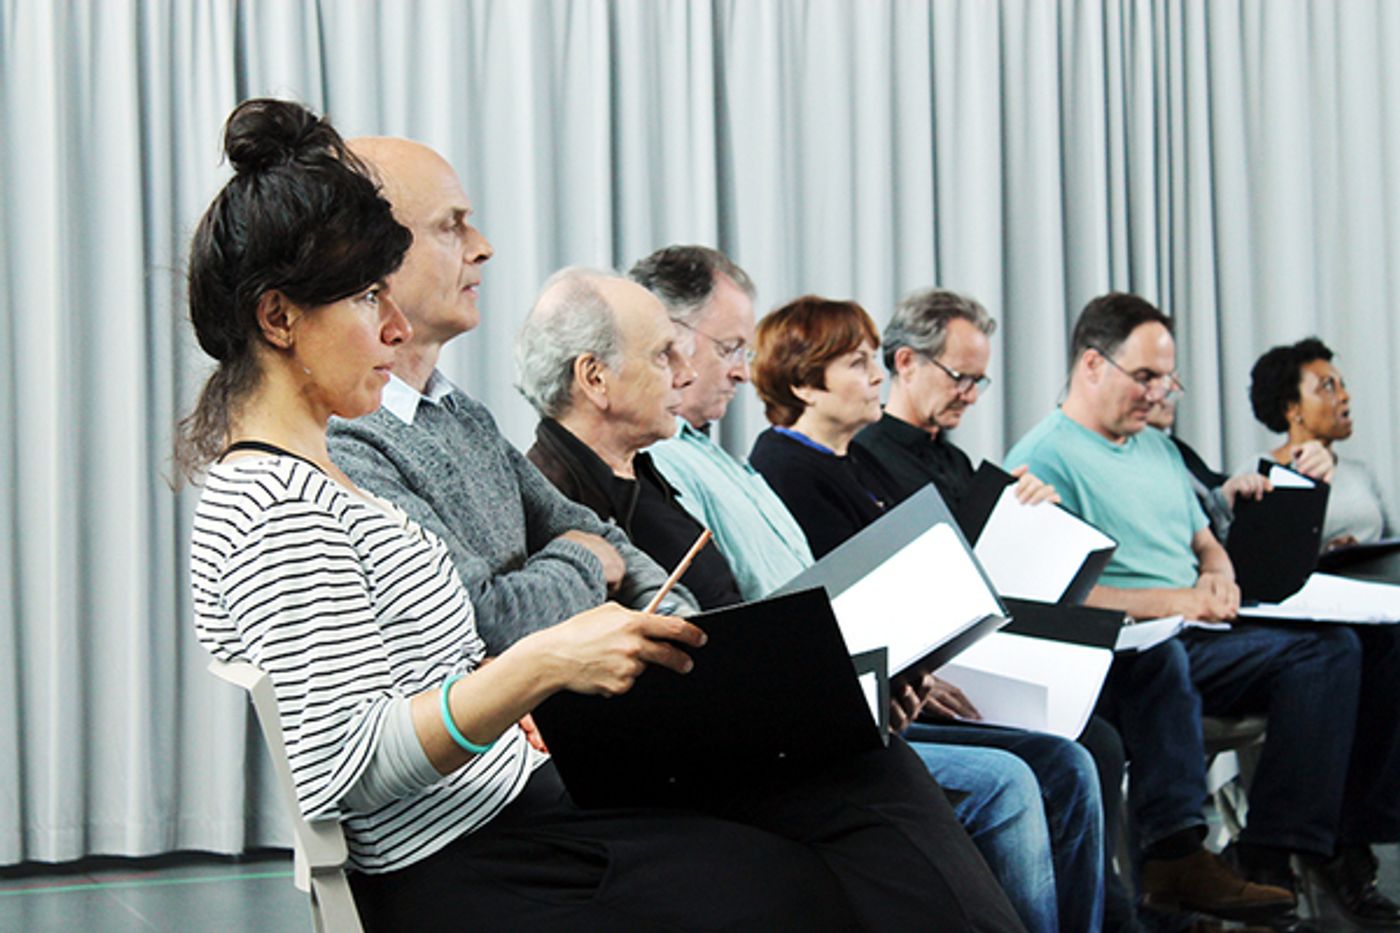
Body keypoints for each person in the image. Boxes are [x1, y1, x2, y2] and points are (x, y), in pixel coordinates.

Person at [180, 98, 1028, 933]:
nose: (392, 326)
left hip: (514, 795)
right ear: (279, 316)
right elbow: (347, 766)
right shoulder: (272, 505)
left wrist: (526, 682)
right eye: (368, 299)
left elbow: (429, 666)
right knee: (795, 868)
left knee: (849, 783)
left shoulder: (326, 474)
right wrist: (541, 662)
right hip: (473, 856)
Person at [514, 266, 1057, 932]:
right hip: (687, 757)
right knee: (918, 779)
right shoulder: (561, 497)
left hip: (742, 724)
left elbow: (732, 626)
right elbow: (640, 677)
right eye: (664, 355)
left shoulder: (653, 481)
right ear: (595, 379)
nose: (684, 371)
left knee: (896, 768)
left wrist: (848, 692)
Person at [633, 251, 1122, 932]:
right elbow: (763, 611)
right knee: (1026, 777)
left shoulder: (739, 459)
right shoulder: (734, 463)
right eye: (729, 348)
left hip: (854, 679)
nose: (739, 369)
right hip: (817, 700)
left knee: (1075, 750)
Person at [1007, 293, 1400, 930]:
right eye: (1146, 377)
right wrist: (1181, 600)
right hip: (1139, 648)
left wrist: (1216, 574)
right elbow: (1058, 597)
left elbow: (1202, 539)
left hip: (1200, 631)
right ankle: (1260, 856)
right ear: (1091, 366)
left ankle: (1309, 844)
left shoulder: (1155, 448)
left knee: (1369, 643)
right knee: (1325, 654)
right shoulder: (1046, 459)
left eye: (1168, 378)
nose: (1162, 393)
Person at [325, 136, 694, 655]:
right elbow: (482, 618)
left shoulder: (459, 413)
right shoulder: (346, 444)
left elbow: (597, 535)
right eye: (451, 226)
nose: (482, 246)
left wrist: (677, 619)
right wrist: (583, 562)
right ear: (370, 255)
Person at [851, 287, 1057, 511]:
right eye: (959, 378)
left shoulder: (957, 462)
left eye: (977, 381)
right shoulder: (860, 458)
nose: (971, 396)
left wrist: (1015, 506)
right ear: (906, 362)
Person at [746, 295, 902, 558]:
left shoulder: (856, 455)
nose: (878, 376)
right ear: (804, 385)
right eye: (858, 363)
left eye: (872, 359)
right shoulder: (784, 471)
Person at [1248, 338, 1394, 554]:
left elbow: (1392, 540)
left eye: (1341, 386)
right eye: (1327, 387)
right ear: (1292, 408)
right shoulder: (1259, 474)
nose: (1345, 396)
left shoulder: (1361, 473)